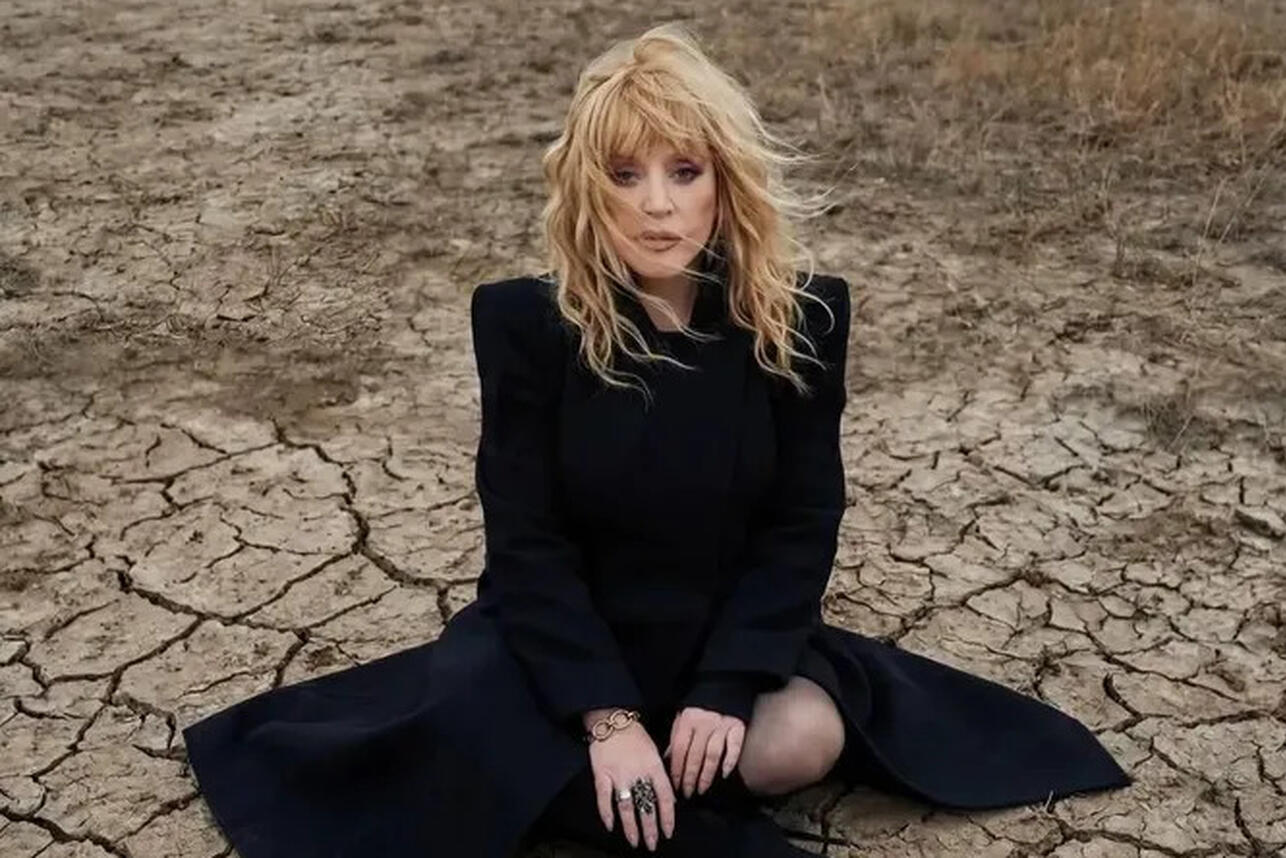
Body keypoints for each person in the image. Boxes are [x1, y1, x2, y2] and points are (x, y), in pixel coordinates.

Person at [181, 22, 1130, 858]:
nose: (657, 206)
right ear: (587, 189)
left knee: (800, 741)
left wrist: (726, 685)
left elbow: (802, 523)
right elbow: (525, 540)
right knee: (480, 726)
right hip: (563, 639)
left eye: (685, 171)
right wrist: (608, 717)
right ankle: (635, 793)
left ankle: (607, 786)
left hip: (718, 631)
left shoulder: (798, 321)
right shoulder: (525, 324)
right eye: (624, 175)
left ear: (725, 182)